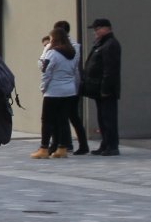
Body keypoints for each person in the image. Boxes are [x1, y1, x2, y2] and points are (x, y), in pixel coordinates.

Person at [31, 27, 79, 159]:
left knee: (47, 120)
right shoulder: (73, 53)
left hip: (53, 91)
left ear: (55, 39)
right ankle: (62, 148)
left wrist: (43, 87)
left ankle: (44, 148)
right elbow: (75, 71)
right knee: (63, 119)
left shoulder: (52, 53)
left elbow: (46, 72)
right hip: (69, 90)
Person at [83, 18, 123, 155]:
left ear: (106, 28)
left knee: (109, 119)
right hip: (99, 89)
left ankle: (112, 146)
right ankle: (105, 144)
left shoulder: (110, 44)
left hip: (107, 90)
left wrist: (106, 89)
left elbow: (110, 70)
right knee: (102, 118)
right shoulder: (101, 44)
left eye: (97, 29)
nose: (95, 32)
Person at [53, 20, 89, 154]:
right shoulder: (72, 46)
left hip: (68, 86)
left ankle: (66, 144)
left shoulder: (70, 47)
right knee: (70, 116)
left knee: (68, 116)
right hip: (72, 85)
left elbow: (47, 64)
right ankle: (69, 143)